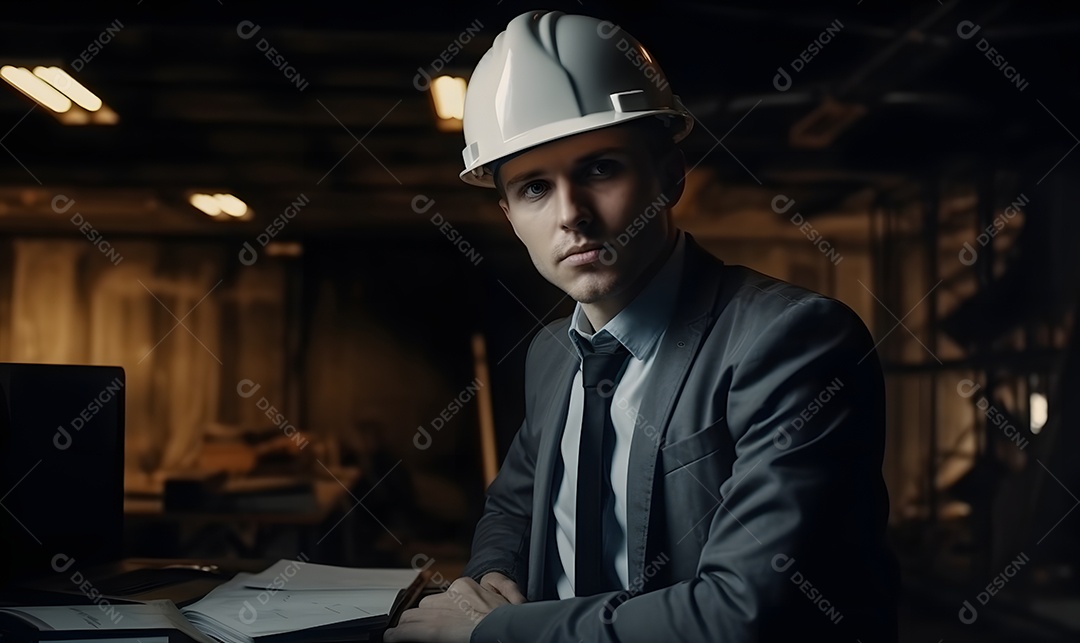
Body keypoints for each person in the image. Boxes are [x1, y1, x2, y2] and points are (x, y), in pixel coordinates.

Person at [385, 9, 898, 643]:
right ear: (509, 213)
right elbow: (514, 506)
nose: (571, 215)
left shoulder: (793, 342)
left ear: (669, 175)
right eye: (534, 188)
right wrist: (489, 583)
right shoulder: (553, 354)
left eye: (600, 169)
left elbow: (745, 613)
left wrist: (499, 632)